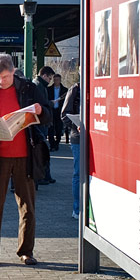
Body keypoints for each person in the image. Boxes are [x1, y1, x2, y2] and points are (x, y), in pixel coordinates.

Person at [0, 53, 51, 267]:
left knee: (27, 206)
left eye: (5, 77)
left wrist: (41, 111)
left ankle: (26, 251)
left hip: (25, 156)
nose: (1, 82)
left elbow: (48, 115)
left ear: (13, 71)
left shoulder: (29, 89)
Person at [33, 66, 55, 184]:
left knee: (43, 150)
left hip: (41, 123)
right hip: (40, 123)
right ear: (44, 75)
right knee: (42, 150)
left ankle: (45, 175)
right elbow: (41, 104)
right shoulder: (38, 86)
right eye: (49, 78)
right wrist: (50, 103)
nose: (50, 81)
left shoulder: (40, 85)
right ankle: (43, 176)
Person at [62, 82, 81, 219]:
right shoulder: (75, 89)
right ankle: (77, 209)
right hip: (78, 138)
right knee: (78, 173)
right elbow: (64, 114)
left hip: (96, 138)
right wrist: (76, 125)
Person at [47, 74, 68, 151]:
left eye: (58, 80)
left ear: (60, 80)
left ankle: (57, 143)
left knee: (59, 128)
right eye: (55, 80)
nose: (56, 81)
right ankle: (52, 144)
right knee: (51, 128)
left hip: (59, 111)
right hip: (52, 111)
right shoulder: (48, 89)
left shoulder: (65, 90)